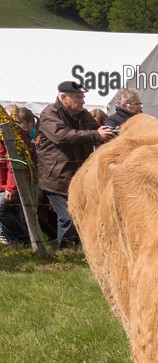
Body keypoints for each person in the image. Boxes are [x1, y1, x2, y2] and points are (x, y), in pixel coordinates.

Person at [36, 80, 114, 249]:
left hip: (78, 175)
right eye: (78, 97)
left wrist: (112, 131)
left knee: (80, 215)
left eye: (83, 97)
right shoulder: (49, 114)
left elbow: (97, 129)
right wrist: (96, 135)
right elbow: (63, 136)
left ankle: (72, 247)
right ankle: (65, 252)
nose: (83, 101)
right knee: (68, 217)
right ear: (64, 98)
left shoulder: (82, 114)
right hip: (57, 177)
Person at [1, 108, 38, 245]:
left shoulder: (10, 135)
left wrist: (11, 187)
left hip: (11, 185)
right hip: (4, 183)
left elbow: (14, 161)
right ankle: (17, 243)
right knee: (13, 213)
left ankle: (25, 239)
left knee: (3, 209)